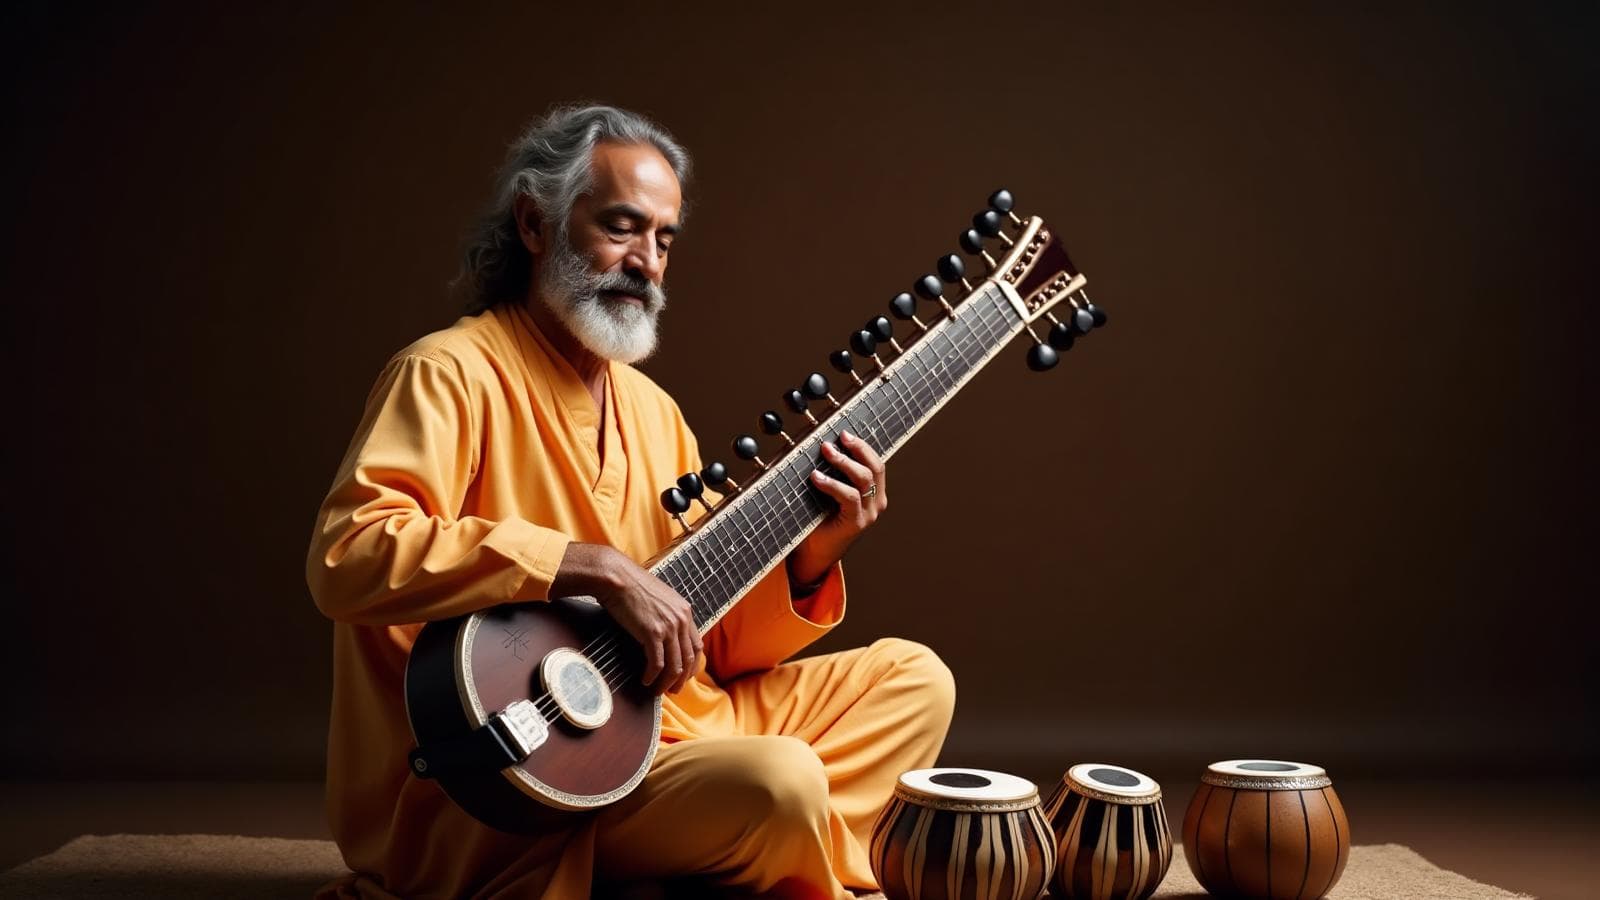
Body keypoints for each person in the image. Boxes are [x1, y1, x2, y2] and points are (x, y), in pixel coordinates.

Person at [306, 104, 955, 899]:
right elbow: (349, 556)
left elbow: (709, 644)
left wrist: (816, 554)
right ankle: (690, 859)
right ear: (535, 224)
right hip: (517, 783)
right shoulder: (448, 374)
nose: (646, 261)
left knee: (917, 680)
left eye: (664, 238)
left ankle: (706, 857)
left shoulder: (654, 411)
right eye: (622, 227)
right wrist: (588, 568)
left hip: (669, 731)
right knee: (782, 782)